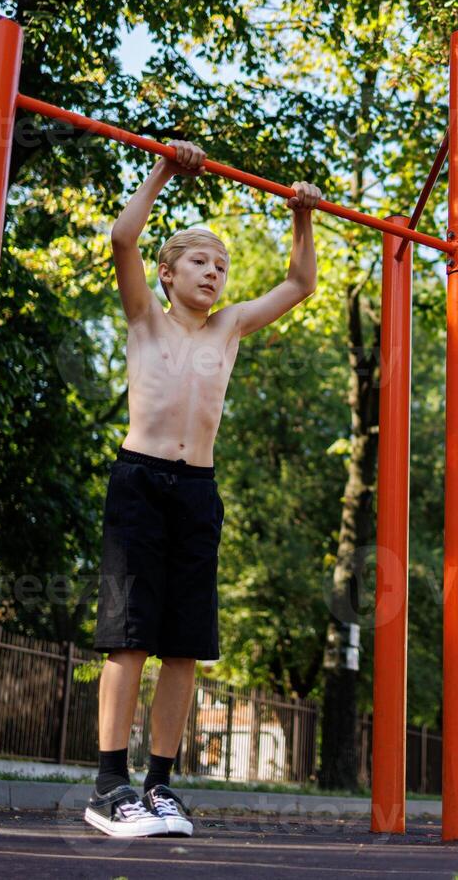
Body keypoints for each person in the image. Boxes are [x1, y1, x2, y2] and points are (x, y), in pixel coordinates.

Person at [84, 140, 321, 838]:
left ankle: (159, 785)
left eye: (221, 265)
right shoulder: (143, 317)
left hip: (197, 491)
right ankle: (108, 785)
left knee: (184, 646)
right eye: (199, 260)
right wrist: (164, 167)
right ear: (166, 272)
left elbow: (300, 284)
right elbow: (122, 235)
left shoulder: (231, 327)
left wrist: (301, 215)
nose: (214, 272)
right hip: (139, 482)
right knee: (130, 639)